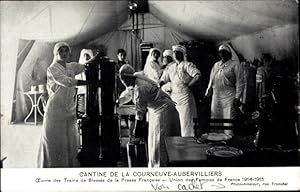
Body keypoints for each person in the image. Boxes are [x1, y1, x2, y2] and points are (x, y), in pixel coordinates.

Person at [37, 42, 88, 168]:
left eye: (66, 51)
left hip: (69, 108)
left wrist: (93, 62)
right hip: (55, 109)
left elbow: (84, 66)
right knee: (56, 139)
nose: (64, 54)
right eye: (61, 51)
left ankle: (69, 165)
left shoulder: (71, 66)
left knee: (70, 139)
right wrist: (87, 82)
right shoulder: (52, 69)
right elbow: (67, 82)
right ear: (56, 53)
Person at [119, 64, 180, 167]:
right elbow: (128, 94)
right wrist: (117, 101)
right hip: (157, 111)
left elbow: (140, 114)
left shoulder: (140, 87)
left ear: (128, 77)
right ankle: (156, 164)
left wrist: (136, 132)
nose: (124, 82)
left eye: (124, 80)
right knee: (154, 140)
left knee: (160, 141)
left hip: (164, 111)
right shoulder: (136, 80)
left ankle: (162, 166)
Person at [160, 45, 200, 137]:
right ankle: (176, 143)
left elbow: (197, 75)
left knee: (186, 122)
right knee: (175, 121)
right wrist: (160, 85)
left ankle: (187, 142)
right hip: (174, 97)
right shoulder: (171, 67)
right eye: (174, 52)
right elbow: (163, 79)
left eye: (178, 53)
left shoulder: (187, 65)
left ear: (182, 54)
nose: (175, 54)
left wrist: (189, 85)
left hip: (185, 97)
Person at [205, 44, 245, 136]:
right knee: (215, 117)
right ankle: (215, 137)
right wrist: (208, 93)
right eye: (220, 52)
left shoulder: (235, 64)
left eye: (224, 52)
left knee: (228, 118)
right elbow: (211, 80)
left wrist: (237, 97)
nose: (222, 54)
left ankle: (228, 138)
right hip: (216, 96)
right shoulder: (216, 65)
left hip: (229, 96)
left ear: (229, 54)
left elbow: (240, 82)